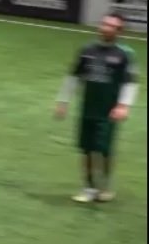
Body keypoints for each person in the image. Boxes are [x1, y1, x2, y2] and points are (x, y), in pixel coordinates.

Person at [54, 13, 139, 203]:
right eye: (104, 24)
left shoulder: (124, 54)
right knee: (86, 149)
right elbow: (74, 77)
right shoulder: (87, 50)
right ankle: (88, 188)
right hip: (88, 108)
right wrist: (63, 101)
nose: (105, 28)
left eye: (111, 26)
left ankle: (105, 187)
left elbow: (130, 82)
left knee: (104, 150)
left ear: (119, 31)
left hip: (109, 111)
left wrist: (123, 106)